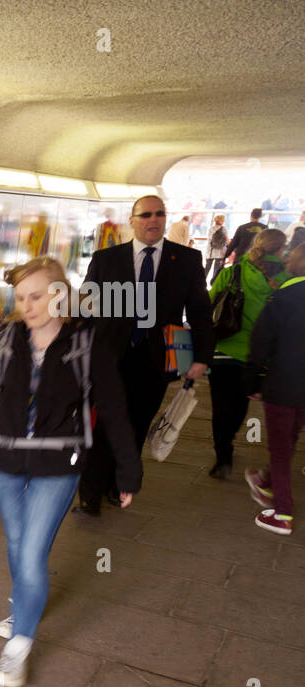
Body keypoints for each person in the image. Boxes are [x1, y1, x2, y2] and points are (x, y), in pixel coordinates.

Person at [0, 257, 140, 687]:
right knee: (18, 545)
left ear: (60, 296)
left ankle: (18, 647)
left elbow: (113, 409)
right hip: (4, 465)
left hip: (58, 465)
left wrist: (128, 470)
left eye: (36, 296)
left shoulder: (87, 345)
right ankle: (23, 606)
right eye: (20, 298)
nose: (27, 306)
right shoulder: (6, 339)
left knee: (32, 552)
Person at [76, 194, 213, 514]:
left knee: (137, 424)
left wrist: (202, 357)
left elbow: (200, 313)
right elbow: (84, 308)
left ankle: (118, 484)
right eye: (146, 214)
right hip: (109, 358)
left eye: (160, 214)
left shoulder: (188, 261)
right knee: (102, 424)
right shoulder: (106, 259)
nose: (154, 220)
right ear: (133, 221)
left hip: (155, 360)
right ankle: (89, 493)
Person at [207, 229, 289, 478]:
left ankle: (223, 456)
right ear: (280, 250)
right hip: (256, 358)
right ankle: (231, 435)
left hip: (222, 350)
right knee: (240, 403)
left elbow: (209, 303)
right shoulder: (286, 280)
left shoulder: (233, 272)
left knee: (220, 406)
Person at [243, 243, 305, 534]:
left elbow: (260, 344)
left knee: (280, 446)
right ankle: (267, 482)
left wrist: (252, 381)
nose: (287, 257)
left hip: (283, 385)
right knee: (288, 439)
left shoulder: (281, 298)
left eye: (292, 255)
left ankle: (282, 513)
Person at [207, 214, 229, 280]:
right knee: (216, 269)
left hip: (211, 251)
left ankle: (202, 282)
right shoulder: (224, 229)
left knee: (207, 268)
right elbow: (227, 240)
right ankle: (213, 284)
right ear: (221, 221)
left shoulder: (211, 229)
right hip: (220, 252)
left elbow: (209, 240)